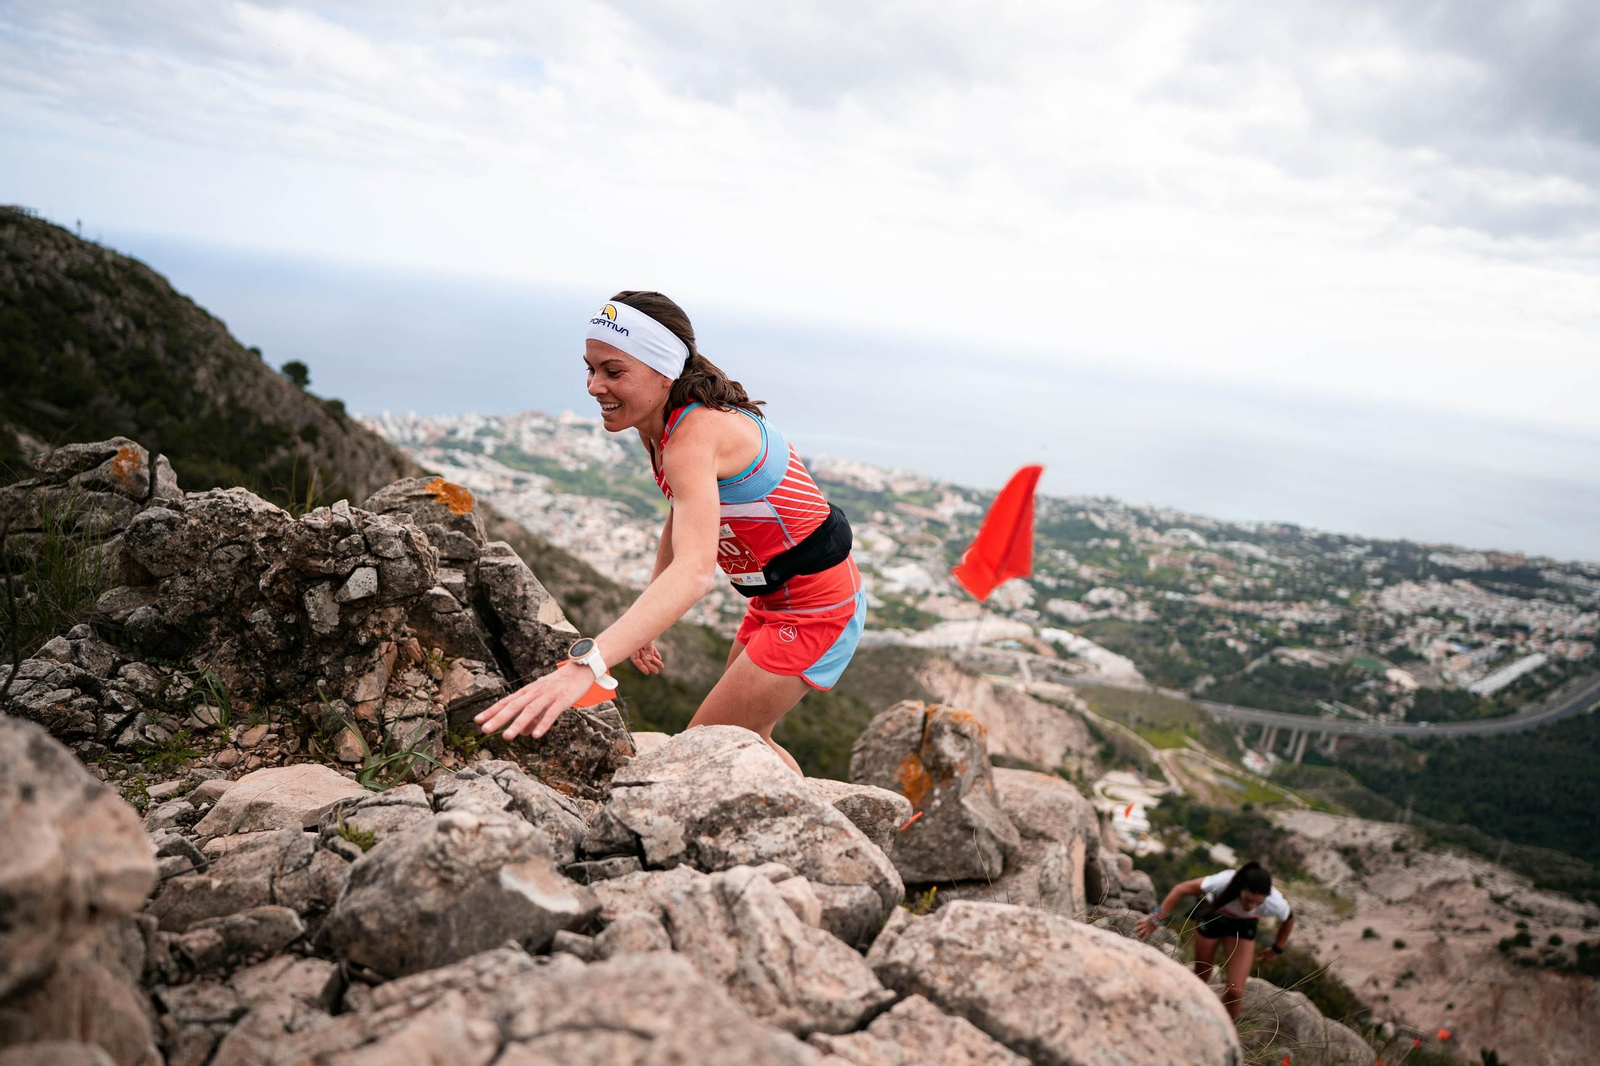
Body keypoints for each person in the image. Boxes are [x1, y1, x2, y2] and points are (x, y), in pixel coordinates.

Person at [475, 291, 865, 775]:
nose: (594, 386)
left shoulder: (693, 435)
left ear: (664, 371)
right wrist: (650, 618)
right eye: (590, 369)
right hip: (775, 599)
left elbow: (697, 572)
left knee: (704, 749)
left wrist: (588, 667)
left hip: (816, 607)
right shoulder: (661, 426)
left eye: (613, 372)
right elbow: (684, 514)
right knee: (750, 739)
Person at [1134, 862, 1296, 1021]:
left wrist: (1276, 948)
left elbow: (1288, 920)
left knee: (1235, 992)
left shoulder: (1275, 902)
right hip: (1212, 918)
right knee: (1202, 975)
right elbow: (1181, 889)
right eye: (1247, 900)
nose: (1251, 905)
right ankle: (1179, 1013)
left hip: (1242, 927)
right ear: (1240, 886)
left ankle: (1226, 1033)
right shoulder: (1223, 881)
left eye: (1258, 903)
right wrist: (1155, 919)